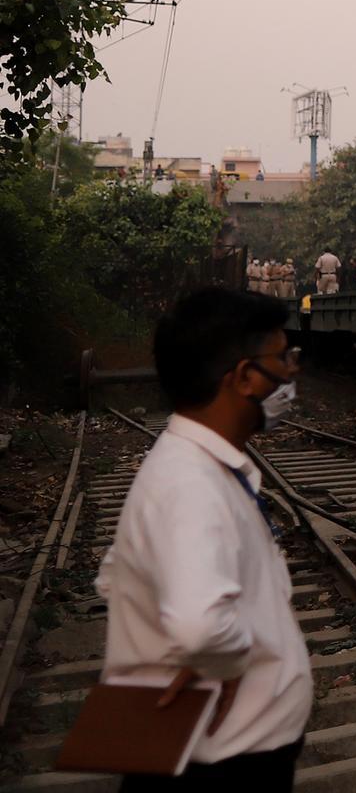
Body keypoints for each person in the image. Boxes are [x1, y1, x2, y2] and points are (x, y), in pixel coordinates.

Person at [96, 286, 311, 791]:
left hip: (219, 749)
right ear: (241, 377)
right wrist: (222, 659)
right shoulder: (190, 483)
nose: (291, 371)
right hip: (224, 763)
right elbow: (200, 626)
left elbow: (112, 574)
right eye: (282, 357)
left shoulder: (197, 464)